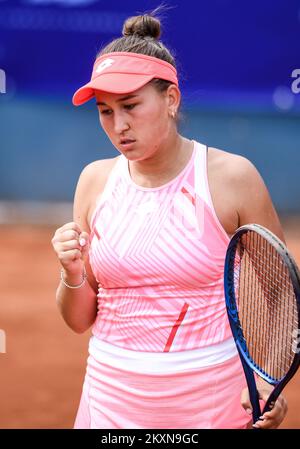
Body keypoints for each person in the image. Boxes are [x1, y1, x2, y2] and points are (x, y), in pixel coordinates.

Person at [51, 12, 288, 429]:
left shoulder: (232, 177)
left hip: (211, 403)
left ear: (172, 99)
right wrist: (72, 274)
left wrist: (270, 382)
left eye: (130, 106)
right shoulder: (93, 181)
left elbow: (282, 293)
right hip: (109, 400)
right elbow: (79, 320)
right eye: (105, 111)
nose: (118, 126)